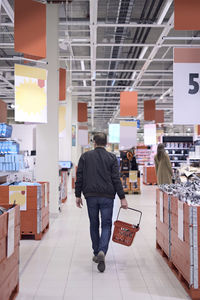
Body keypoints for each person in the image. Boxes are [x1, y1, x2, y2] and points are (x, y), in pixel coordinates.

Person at [75, 132, 128, 273]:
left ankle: (96, 252)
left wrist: (77, 195)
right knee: (106, 224)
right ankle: (102, 251)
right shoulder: (111, 158)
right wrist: (122, 197)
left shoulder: (85, 157)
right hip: (107, 196)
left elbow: (79, 176)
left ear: (94, 142)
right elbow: (116, 179)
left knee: (93, 224)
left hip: (90, 196)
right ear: (106, 143)